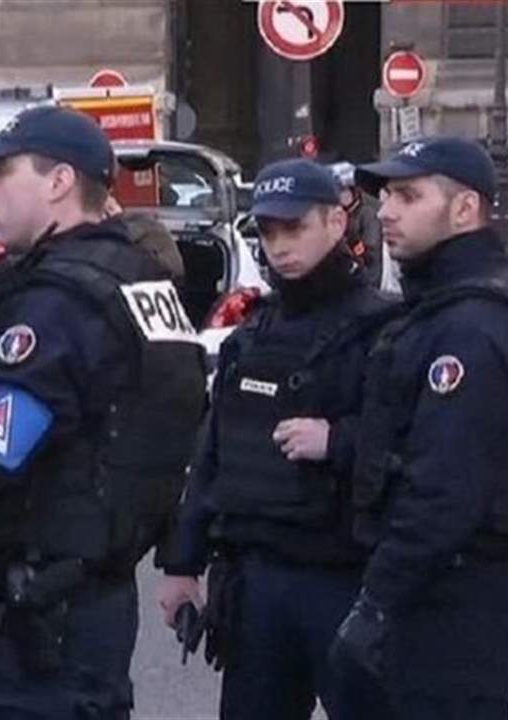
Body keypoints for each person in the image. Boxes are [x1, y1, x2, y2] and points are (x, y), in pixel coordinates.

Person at [0, 106, 209, 719]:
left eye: (2, 172)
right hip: (97, 589)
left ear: (59, 182)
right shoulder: (135, 277)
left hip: (42, 611)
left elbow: (2, 445)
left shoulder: (57, 304)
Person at [334, 136, 508, 719]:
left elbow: (444, 488)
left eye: (408, 196)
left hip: (454, 601)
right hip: (443, 592)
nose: (386, 211)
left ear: (465, 208)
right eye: (387, 196)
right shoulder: (444, 311)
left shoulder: (470, 329)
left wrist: (377, 602)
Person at [156, 159, 397, 719]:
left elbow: (414, 448)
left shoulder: (382, 330)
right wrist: (182, 564)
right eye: (268, 232)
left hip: (346, 575)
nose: (280, 246)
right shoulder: (251, 334)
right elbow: (213, 455)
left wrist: (337, 440)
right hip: (256, 579)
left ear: (336, 222)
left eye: (295, 228)